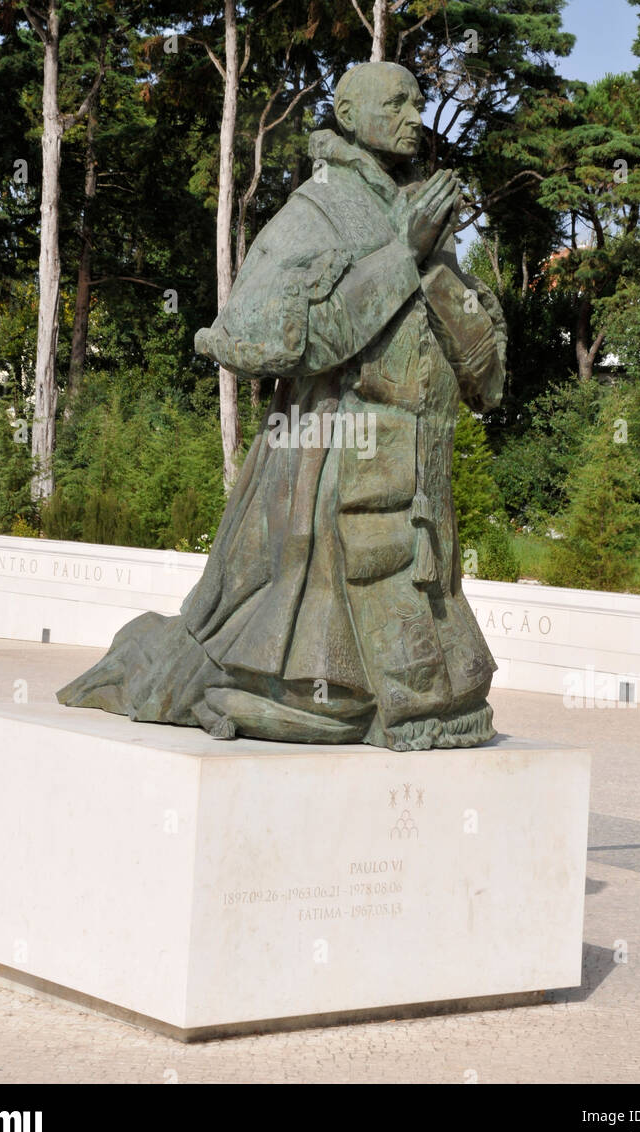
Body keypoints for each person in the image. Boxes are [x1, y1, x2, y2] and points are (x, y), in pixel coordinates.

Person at [58, 61, 507, 751]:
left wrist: (431, 261)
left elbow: (485, 376)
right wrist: (400, 255)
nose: (415, 116)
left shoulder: (422, 211)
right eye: (397, 103)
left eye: (419, 102)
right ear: (349, 114)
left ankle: (284, 696)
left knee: (448, 702)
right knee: (336, 705)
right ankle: (220, 690)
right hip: (328, 474)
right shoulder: (318, 207)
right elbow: (267, 337)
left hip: (418, 486)